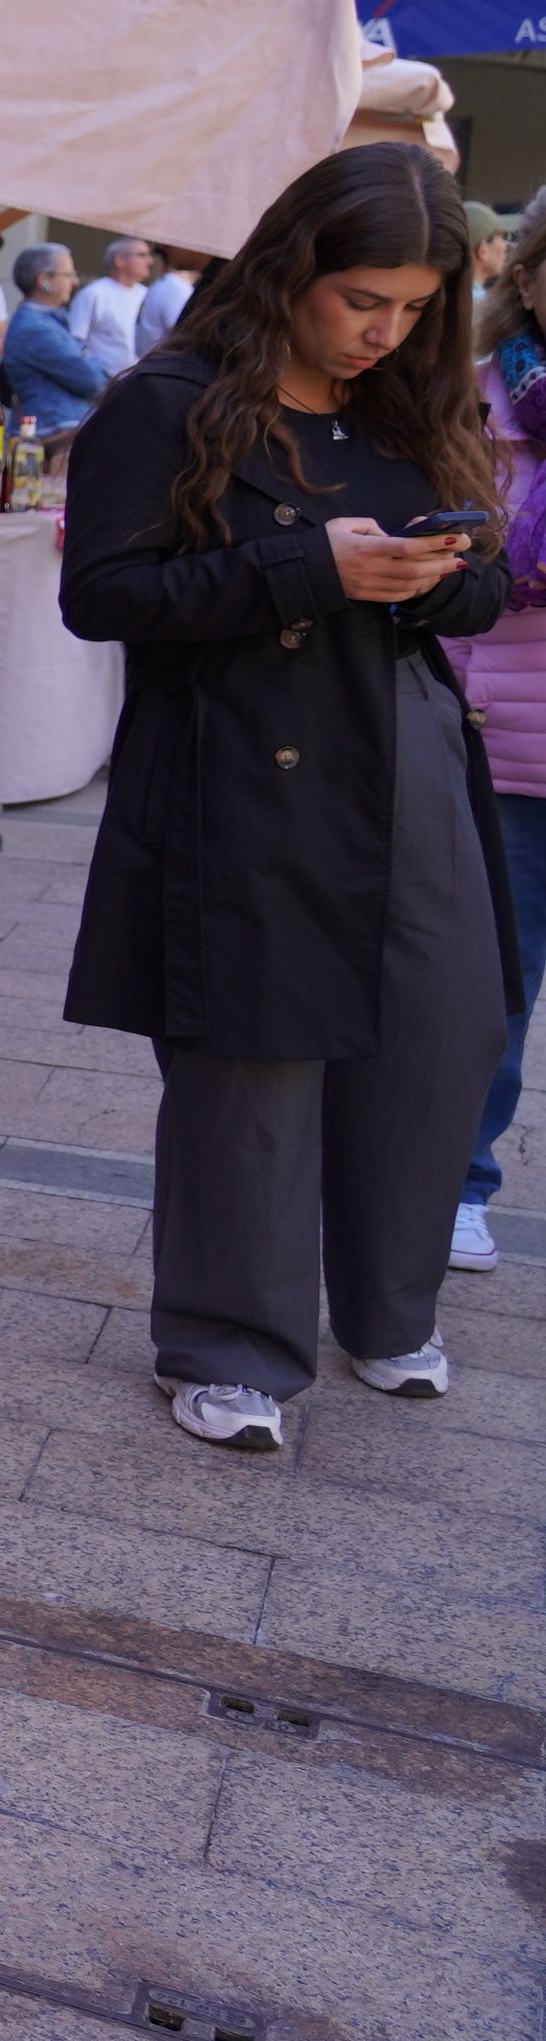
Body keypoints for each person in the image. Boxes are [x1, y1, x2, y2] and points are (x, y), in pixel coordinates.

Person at [62, 143, 510, 1450]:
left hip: (412, 754)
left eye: (416, 308)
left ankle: (386, 1310)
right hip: (244, 765)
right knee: (252, 1056)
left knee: (438, 1032)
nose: (386, 331)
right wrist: (307, 569)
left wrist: (438, 573)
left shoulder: (412, 411)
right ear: (293, 269)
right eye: (363, 298)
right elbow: (105, 596)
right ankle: (229, 1343)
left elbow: (478, 594)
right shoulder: (172, 401)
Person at [447, 200, 546, 1269]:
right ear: (529, 275)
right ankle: (458, 1179)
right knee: (493, 985)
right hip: (504, 737)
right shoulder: (470, 398)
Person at [0, 243, 106, 435]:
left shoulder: (49, 322)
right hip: (51, 435)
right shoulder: (34, 329)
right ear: (44, 281)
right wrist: (93, 361)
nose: (75, 282)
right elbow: (93, 380)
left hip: (59, 430)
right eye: (68, 275)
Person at [70, 234, 153, 377]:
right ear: (119, 260)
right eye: (141, 255)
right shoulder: (93, 294)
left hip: (138, 382)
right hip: (103, 384)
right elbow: (76, 342)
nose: (150, 261)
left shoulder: (149, 295)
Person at [135, 245, 204, 362]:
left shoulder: (166, 285)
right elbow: (184, 337)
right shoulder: (176, 289)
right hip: (160, 364)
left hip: (153, 363)